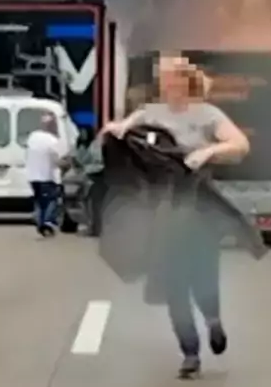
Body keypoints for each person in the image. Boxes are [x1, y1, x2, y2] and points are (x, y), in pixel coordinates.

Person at [100, 55, 250, 379]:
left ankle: (213, 320)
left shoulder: (207, 114)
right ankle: (190, 352)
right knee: (173, 285)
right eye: (161, 78)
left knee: (203, 276)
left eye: (169, 77)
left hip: (198, 205)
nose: (164, 84)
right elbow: (124, 129)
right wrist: (117, 130)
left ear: (184, 80)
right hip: (164, 208)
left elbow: (240, 144)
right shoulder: (150, 113)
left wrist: (208, 151)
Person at [23, 113, 65, 237]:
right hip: (46, 176)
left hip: (32, 176)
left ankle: (40, 221)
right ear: (51, 125)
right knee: (52, 199)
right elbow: (59, 159)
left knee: (39, 201)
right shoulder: (52, 140)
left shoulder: (32, 137)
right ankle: (46, 222)